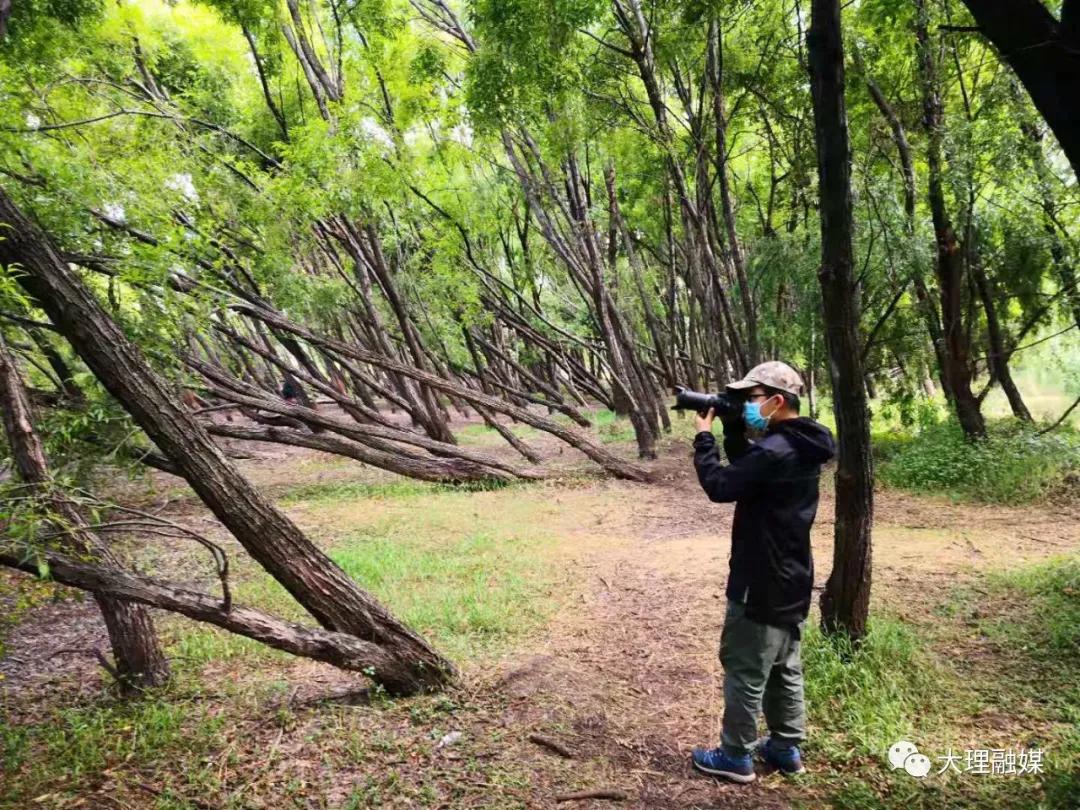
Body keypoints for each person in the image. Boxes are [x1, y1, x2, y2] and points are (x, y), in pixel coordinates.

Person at [689, 361, 836, 783]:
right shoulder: (798, 442)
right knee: (784, 664)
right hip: (791, 573)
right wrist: (734, 428)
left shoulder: (776, 449)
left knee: (745, 666)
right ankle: (786, 748)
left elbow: (721, 486)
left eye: (750, 399)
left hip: (760, 577)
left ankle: (735, 755)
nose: (746, 405)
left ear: (775, 401)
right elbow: (751, 469)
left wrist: (703, 438)